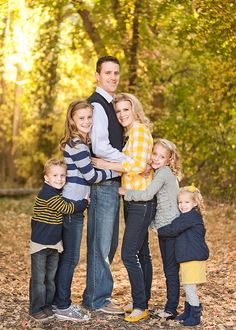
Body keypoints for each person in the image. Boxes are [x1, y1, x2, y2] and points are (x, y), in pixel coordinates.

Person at [91, 93, 156, 322]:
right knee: (142, 253)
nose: (121, 115)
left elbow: (137, 165)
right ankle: (143, 300)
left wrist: (105, 163)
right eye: (118, 111)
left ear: (134, 109)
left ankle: (140, 306)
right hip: (135, 200)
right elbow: (142, 163)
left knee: (129, 254)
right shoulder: (135, 133)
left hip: (140, 201)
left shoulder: (138, 131)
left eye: (125, 110)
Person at [53, 100, 116, 321]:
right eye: (81, 118)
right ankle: (62, 306)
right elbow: (90, 176)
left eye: (89, 117)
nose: (86, 121)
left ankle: (59, 302)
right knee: (70, 258)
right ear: (72, 120)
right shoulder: (77, 145)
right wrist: (115, 172)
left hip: (76, 205)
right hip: (72, 206)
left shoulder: (80, 143)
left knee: (69, 256)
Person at [82, 56, 129, 315]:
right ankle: (97, 300)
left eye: (116, 73)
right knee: (101, 243)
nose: (112, 77)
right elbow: (100, 147)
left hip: (112, 181)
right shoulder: (98, 105)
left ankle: (97, 296)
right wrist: (130, 162)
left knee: (108, 243)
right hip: (103, 184)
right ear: (97, 76)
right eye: (108, 73)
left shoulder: (112, 104)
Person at [119, 138, 181, 320]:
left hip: (170, 228)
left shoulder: (163, 174)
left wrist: (126, 192)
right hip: (165, 227)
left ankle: (170, 309)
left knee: (170, 269)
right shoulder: (161, 171)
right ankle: (145, 301)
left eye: (161, 156)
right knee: (155, 261)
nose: (156, 158)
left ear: (169, 160)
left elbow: (147, 194)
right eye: (154, 154)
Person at [29, 158, 88, 321]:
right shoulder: (48, 194)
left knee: (50, 279)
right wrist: (84, 202)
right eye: (55, 175)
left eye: (63, 175)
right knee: (39, 279)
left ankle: (47, 306)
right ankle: (36, 309)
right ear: (46, 178)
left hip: (54, 244)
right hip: (40, 245)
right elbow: (67, 208)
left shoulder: (56, 193)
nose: (59, 179)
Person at [158, 186, 209, 326]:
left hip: (193, 258)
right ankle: (188, 312)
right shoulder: (187, 216)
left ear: (195, 203)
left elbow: (173, 228)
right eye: (180, 202)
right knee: (188, 287)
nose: (182, 205)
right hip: (188, 257)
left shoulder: (190, 217)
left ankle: (195, 316)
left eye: (186, 202)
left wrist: (159, 230)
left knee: (189, 288)